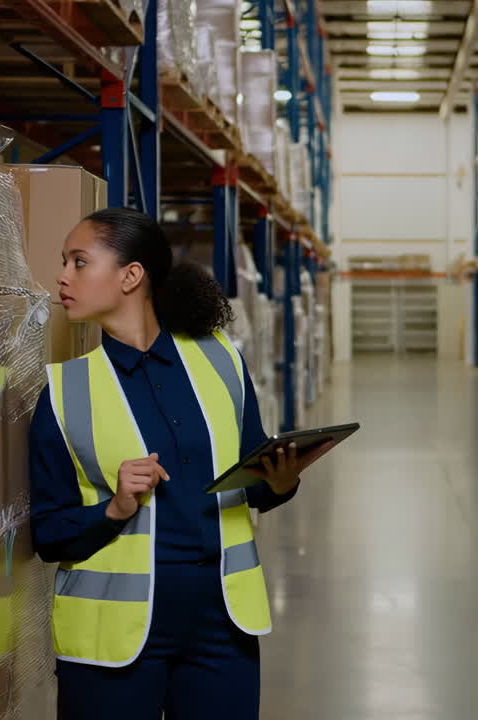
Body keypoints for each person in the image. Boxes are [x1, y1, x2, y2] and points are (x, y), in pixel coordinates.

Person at [28, 207, 322, 719]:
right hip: (112, 636)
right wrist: (115, 508)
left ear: (131, 276)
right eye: (65, 263)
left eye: (79, 262)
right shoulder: (63, 391)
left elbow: (255, 483)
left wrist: (282, 480)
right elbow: (48, 533)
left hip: (221, 622)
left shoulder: (221, 359)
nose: (63, 277)